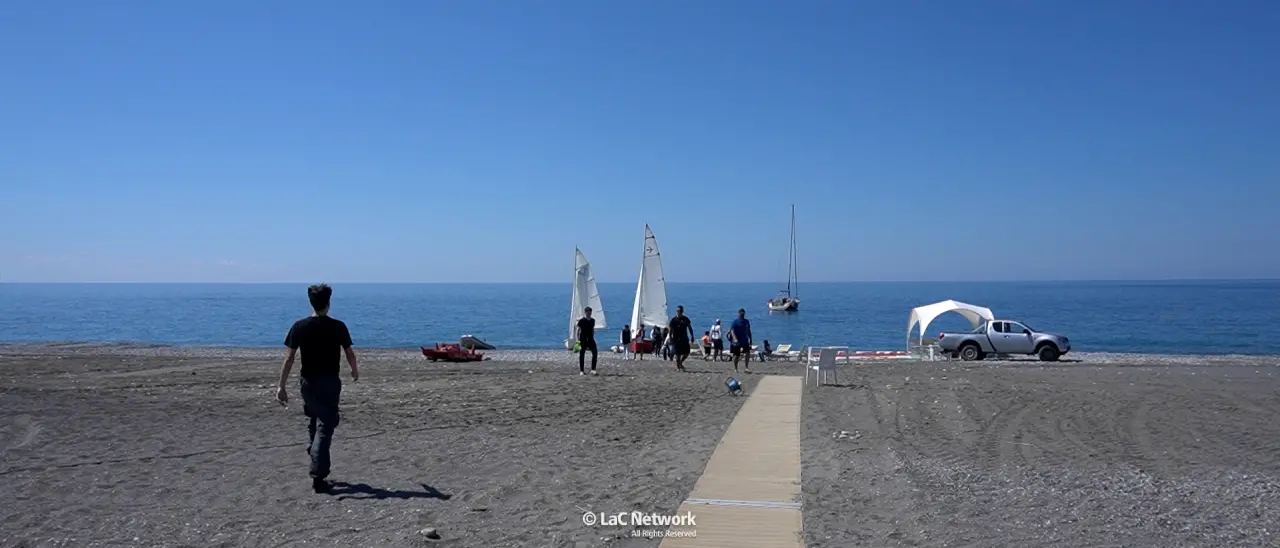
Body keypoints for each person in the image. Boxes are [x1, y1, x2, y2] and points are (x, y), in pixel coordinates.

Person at [276, 283, 359, 494]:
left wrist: (282, 385)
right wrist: (354, 370)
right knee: (326, 426)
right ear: (328, 303)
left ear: (311, 302)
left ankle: (315, 454)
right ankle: (318, 475)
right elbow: (349, 352)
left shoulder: (300, 326)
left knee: (315, 420)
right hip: (329, 382)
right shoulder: (338, 326)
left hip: (308, 383)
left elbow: (289, 359)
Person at [668, 305, 695, 372]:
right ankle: (678, 367)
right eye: (677, 311)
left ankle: (680, 362)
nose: (678, 312)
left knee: (687, 352)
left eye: (679, 311)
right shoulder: (673, 320)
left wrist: (692, 336)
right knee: (678, 354)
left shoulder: (685, 319)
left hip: (684, 338)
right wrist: (670, 337)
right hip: (676, 339)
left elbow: (690, 328)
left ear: (682, 311)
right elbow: (670, 330)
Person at [729, 308, 753, 373]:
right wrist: (735, 338)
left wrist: (751, 339)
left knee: (747, 353)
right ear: (739, 313)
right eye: (741, 313)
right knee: (737, 355)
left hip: (745, 340)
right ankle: (736, 368)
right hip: (737, 342)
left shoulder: (746, 321)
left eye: (743, 313)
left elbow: (749, 331)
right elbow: (732, 331)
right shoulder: (735, 321)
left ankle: (746, 367)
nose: (742, 315)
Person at [576, 306, 599, 375]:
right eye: (588, 312)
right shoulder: (581, 321)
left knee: (595, 353)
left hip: (591, 339)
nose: (589, 314)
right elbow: (578, 331)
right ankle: (581, 371)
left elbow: (592, 330)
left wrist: (593, 337)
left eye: (590, 312)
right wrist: (578, 340)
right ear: (585, 312)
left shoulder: (593, 320)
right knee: (582, 355)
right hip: (582, 339)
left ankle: (593, 369)